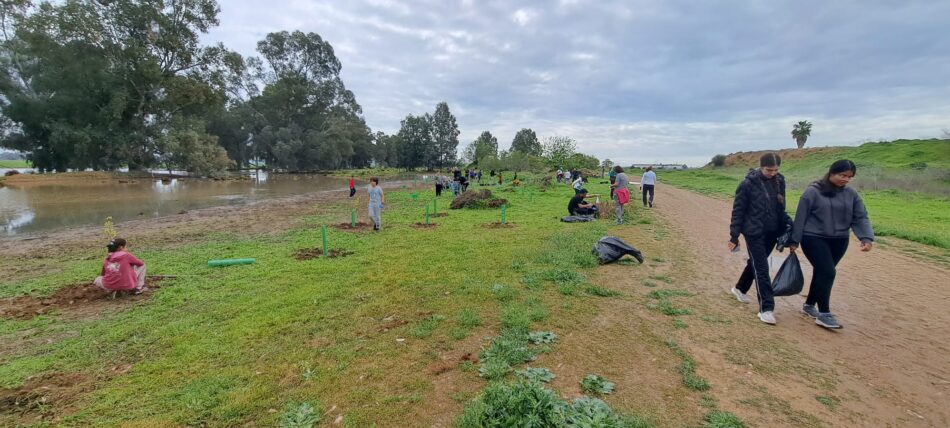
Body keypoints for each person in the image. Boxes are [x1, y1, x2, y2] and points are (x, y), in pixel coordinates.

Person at [788, 160, 873, 329]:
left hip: (840, 240)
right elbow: (801, 217)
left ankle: (809, 305)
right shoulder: (813, 192)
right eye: (842, 175)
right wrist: (794, 240)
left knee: (823, 273)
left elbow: (861, 216)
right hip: (813, 238)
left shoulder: (852, 194)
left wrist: (866, 238)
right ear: (831, 173)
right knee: (828, 272)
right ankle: (824, 313)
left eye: (850, 177)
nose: (846, 179)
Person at [727, 153, 792, 325]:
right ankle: (767, 308)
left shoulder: (780, 181)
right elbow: (738, 211)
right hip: (753, 232)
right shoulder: (747, 184)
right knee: (762, 268)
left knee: (756, 263)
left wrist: (786, 225)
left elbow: (781, 207)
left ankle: (739, 289)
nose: (772, 173)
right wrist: (734, 235)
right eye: (769, 170)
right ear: (761, 166)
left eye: (776, 170)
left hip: (772, 231)